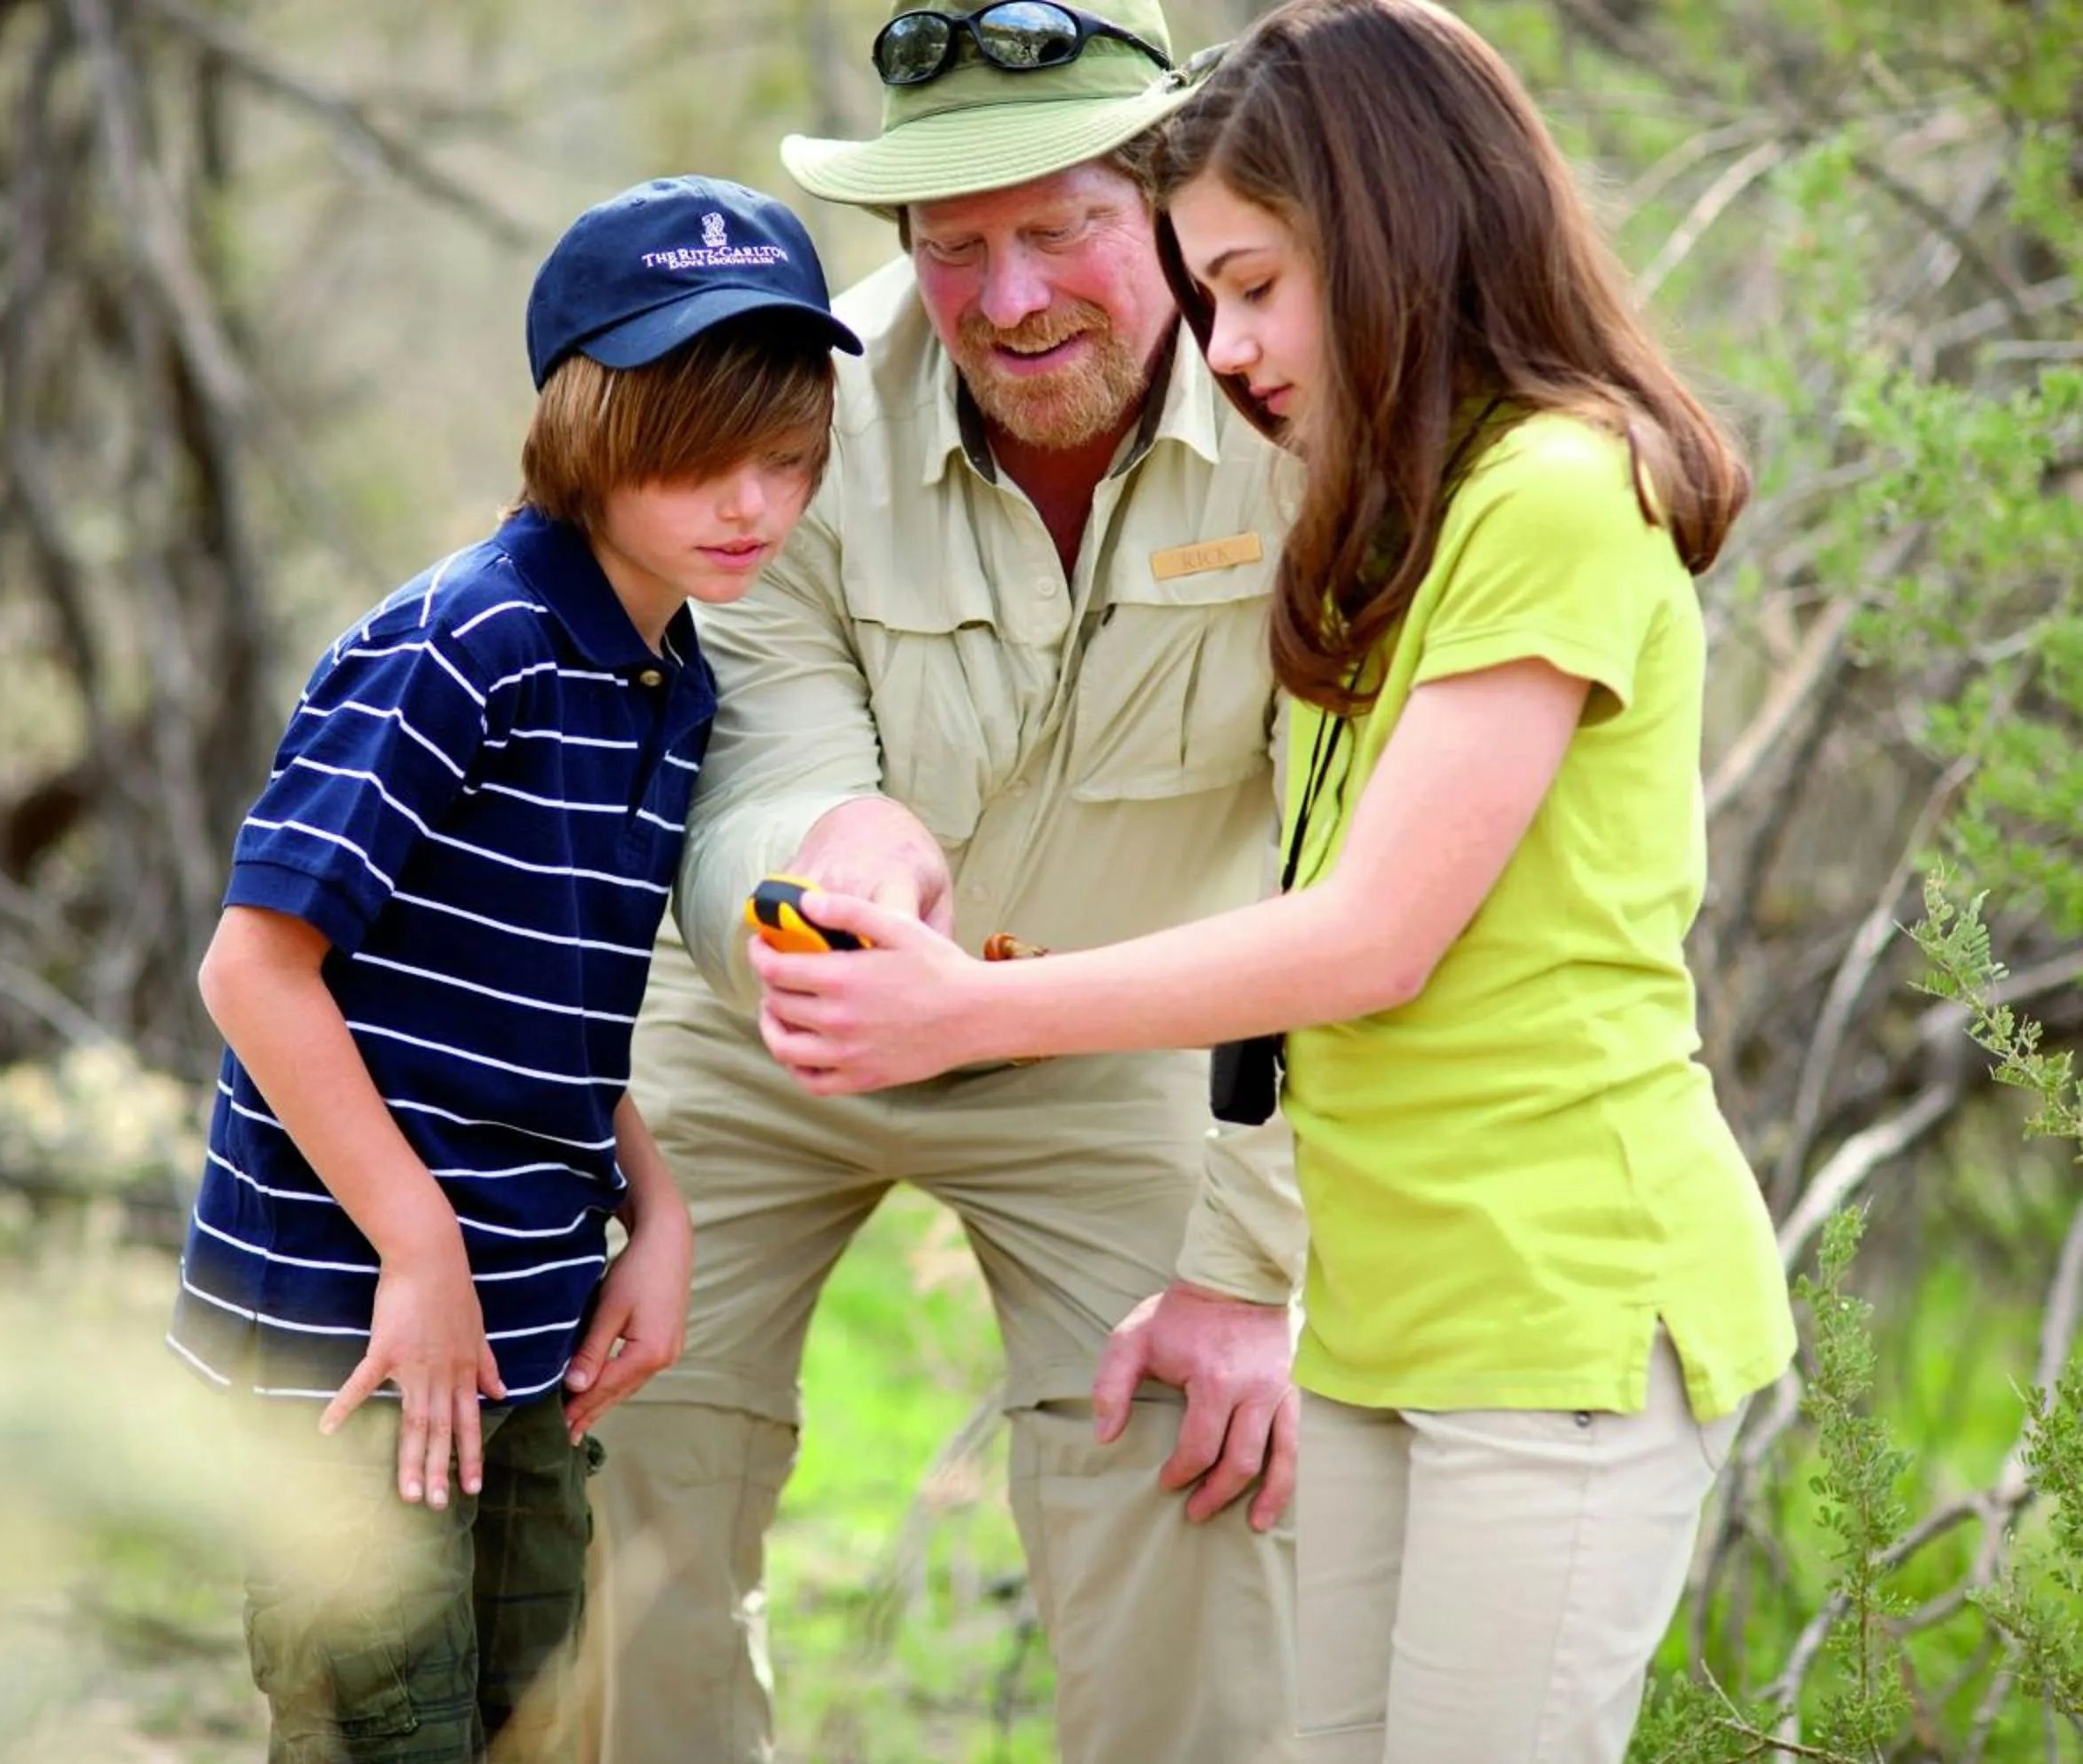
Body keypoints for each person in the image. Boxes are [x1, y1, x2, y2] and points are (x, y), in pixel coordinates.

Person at [749, 2, 1803, 1758]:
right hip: (1390, 1319)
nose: (1222, 350)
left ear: (1392, 240)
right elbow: (1300, 907)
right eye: (1209, 292)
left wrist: (978, 1005)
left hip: (1555, 1315)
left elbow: (1368, 938)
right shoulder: (1386, 508)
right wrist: (1246, 1268)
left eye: (1248, 287)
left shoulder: (1553, 493)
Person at [580, 7, 1305, 1760]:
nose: (1008, 298)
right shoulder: (804, 413)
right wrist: (824, 867)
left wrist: (1257, 1257)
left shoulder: (1308, 408)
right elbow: (758, 747)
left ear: (1165, 199)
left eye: (1060, 226)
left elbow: (1343, 872)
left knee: (1202, 1483)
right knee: (612, 1461)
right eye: (954, 245)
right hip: (780, 1025)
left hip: (1118, 1040)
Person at [164, 175, 860, 1764]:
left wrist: (659, 1208)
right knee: (378, 1730)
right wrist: (415, 1247)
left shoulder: (669, 670)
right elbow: (254, 972)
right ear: (586, 421)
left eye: (786, 458)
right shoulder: (457, 646)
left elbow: (546, 1000)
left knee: (527, 1718)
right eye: (696, 454)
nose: (748, 503)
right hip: (351, 1328)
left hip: (515, 1323)